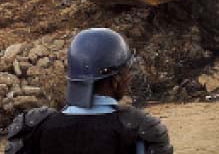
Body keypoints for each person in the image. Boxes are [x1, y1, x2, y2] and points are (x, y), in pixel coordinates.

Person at [5, 28, 172, 154]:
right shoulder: (138, 128)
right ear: (115, 80)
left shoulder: (34, 127)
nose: (129, 78)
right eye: (126, 72)